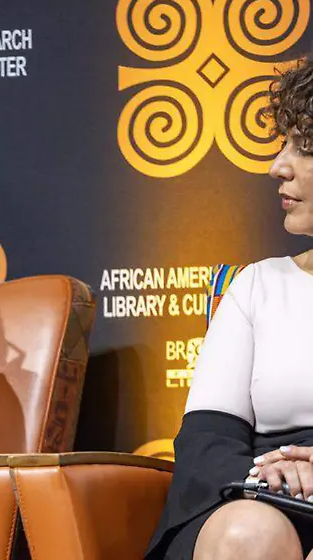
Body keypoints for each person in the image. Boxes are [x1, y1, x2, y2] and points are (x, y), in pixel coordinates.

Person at [146, 58, 313, 560]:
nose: (276, 166)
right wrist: (270, 474)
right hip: (256, 496)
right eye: (282, 143)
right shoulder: (257, 287)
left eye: (304, 147)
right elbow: (207, 440)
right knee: (250, 535)